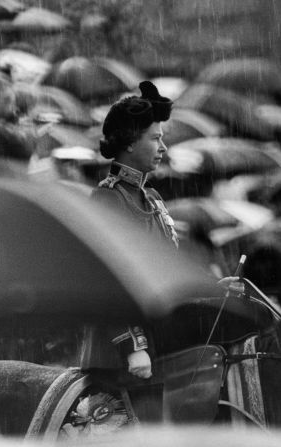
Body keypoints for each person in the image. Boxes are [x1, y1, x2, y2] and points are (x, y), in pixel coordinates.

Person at [89, 81, 177, 380]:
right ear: (129, 141)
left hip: (162, 345)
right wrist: (133, 346)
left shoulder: (152, 198)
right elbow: (105, 282)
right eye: (155, 139)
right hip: (121, 357)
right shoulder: (107, 199)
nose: (163, 147)